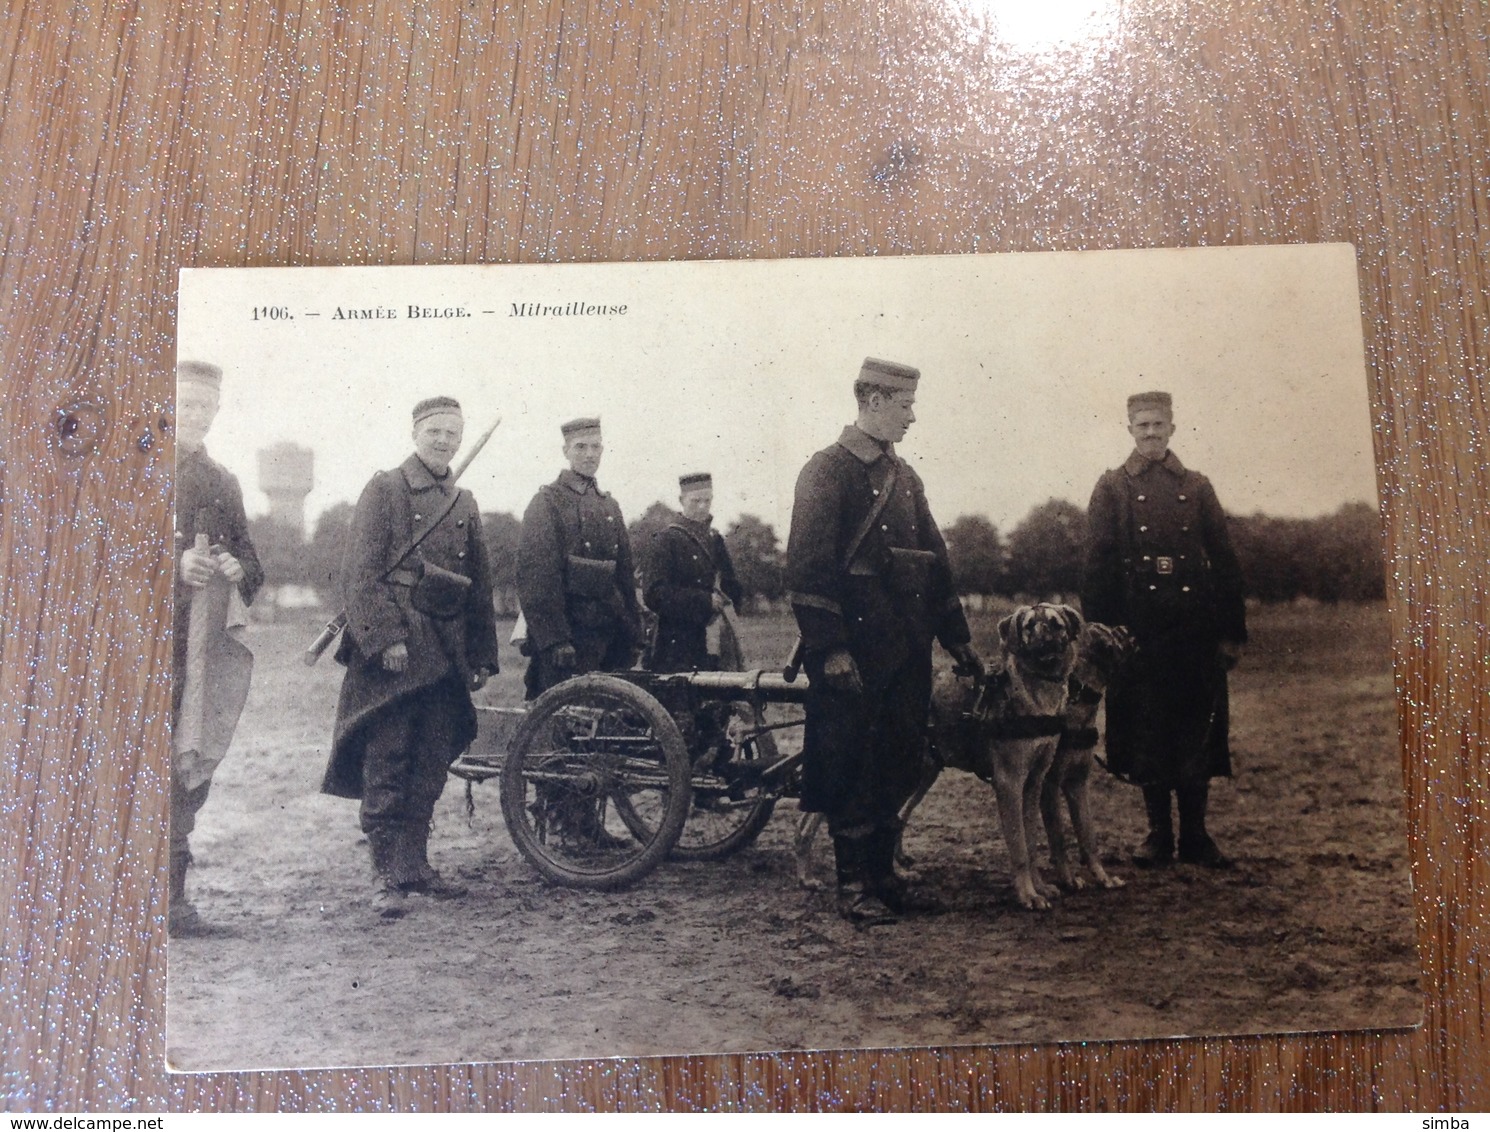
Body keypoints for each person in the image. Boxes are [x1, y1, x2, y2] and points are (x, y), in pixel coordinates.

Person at [786, 358, 983, 924]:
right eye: (905, 406)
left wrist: (958, 639)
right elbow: (808, 569)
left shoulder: (906, 477)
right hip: (855, 653)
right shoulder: (826, 471)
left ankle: (882, 877)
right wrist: (830, 649)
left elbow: (935, 561)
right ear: (872, 401)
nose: (913, 417)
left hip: (907, 648)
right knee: (853, 762)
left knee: (898, 759)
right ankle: (854, 887)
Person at [321, 397, 500, 918]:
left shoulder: (464, 501)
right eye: (435, 432)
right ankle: (384, 873)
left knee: (431, 761)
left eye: (453, 433)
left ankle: (415, 866)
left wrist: (482, 655)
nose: (444, 441)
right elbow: (360, 573)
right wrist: (387, 638)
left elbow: (480, 587)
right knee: (389, 757)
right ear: (416, 432)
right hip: (397, 651)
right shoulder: (385, 489)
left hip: (446, 652)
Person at [1080, 390, 1247, 869]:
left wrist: (1231, 632)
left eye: (1158, 425)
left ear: (1173, 428)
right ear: (1130, 430)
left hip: (1194, 634)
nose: (1151, 434)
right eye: (1142, 426)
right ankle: (1157, 835)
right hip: (1138, 635)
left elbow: (1226, 561)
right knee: (1147, 733)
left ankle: (1196, 834)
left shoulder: (1196, 486)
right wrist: (1103, 632)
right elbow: (1096, 566)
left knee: (1197, 730)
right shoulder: (1111, 487)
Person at [172, 360, 264, 937]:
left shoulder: (221, 480)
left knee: (188, 758)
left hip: (197, 649)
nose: (196, 414)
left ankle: (173, 902)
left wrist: (236, 566)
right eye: (186, 402)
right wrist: (173, 563)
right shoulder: (123, 463)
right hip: (131, 651)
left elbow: (253, 561)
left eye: (206, 405)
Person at [516, 417, 643, 698]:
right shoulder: (547, 502)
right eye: (580, 447)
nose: (589, 454)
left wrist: (634, 634)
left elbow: (624, 577)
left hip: (609, 639)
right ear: (566, 451)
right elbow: (536, 576)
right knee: (563, 726)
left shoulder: (609, 505)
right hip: (568, 643)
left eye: (595, 447)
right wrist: (555, 640)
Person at [644, 472, 744, 673]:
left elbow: (731, 586)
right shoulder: (666, 539)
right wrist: (704, 601)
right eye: (695, 501)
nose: (702, 507)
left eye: (707, 501)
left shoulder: (715, 539)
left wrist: (726, 612)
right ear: (681, 500)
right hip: (675, 645)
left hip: (714, 640)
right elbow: (654, 594)